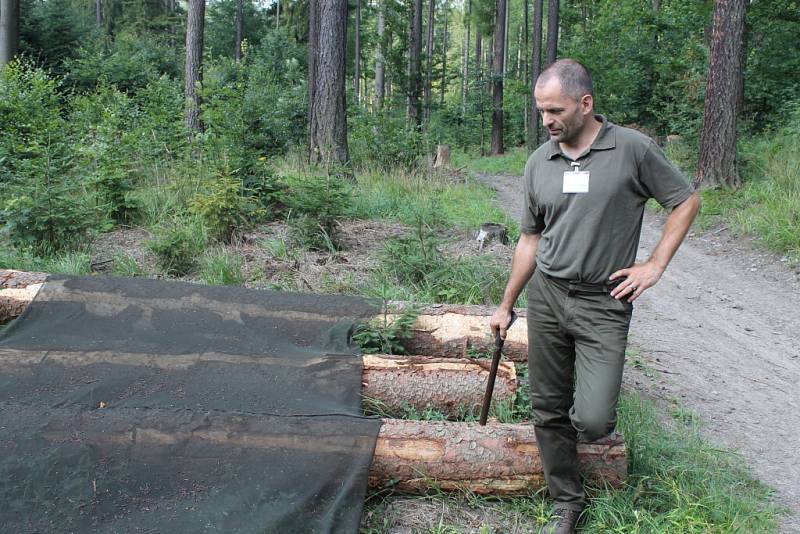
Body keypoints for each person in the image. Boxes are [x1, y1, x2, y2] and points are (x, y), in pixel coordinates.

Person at [489, 59, 701, 534]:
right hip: (547, 296)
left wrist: (655, 265)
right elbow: (530, 239)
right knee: (546, 405)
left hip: (604, 301)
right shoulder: (539, 162)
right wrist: (506, 304)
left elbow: (685, 200)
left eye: (556, 110)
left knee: (592, 419)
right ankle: (567, 502)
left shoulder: (632, 150)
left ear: (586, 104)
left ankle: (589, 445)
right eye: (541, 110)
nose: (547, 120)